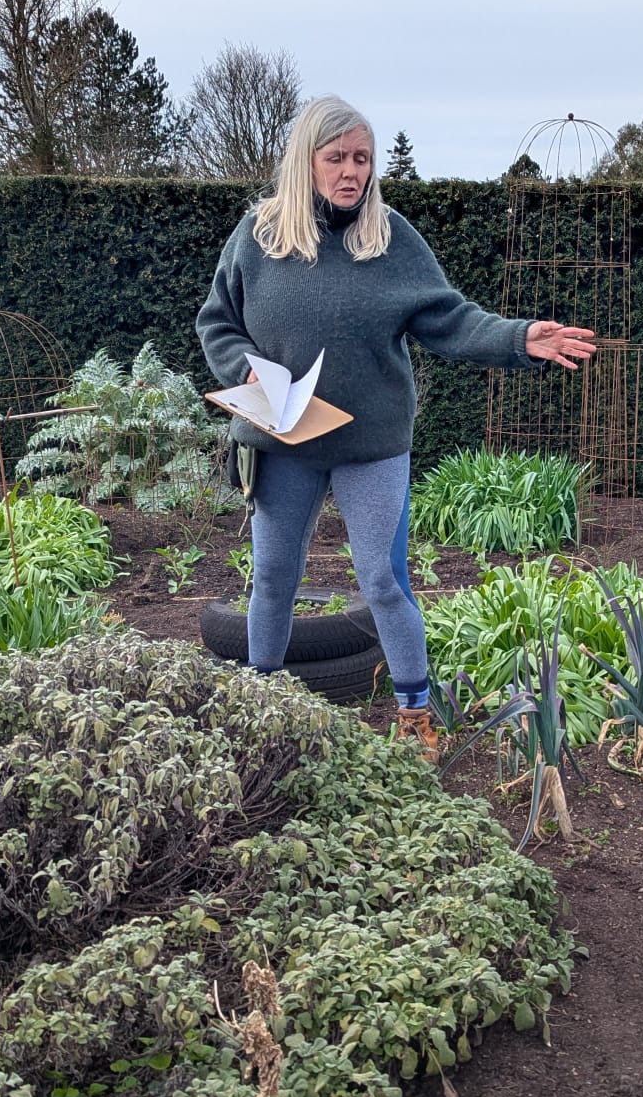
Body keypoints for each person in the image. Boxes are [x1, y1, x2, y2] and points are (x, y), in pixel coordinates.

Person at [197, 95, 596, 758]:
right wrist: (247, 372)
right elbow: (217, 320)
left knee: (382, 578)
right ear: (307, 161)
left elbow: (452, 319)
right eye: (337, 158)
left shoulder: (389, 239)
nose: (352, 171)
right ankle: (260, 706)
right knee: (271, 576)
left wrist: (520, 338)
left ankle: (415, 714)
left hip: (370, 446)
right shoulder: (258, 236)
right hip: (282, 440)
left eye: (362, 158)